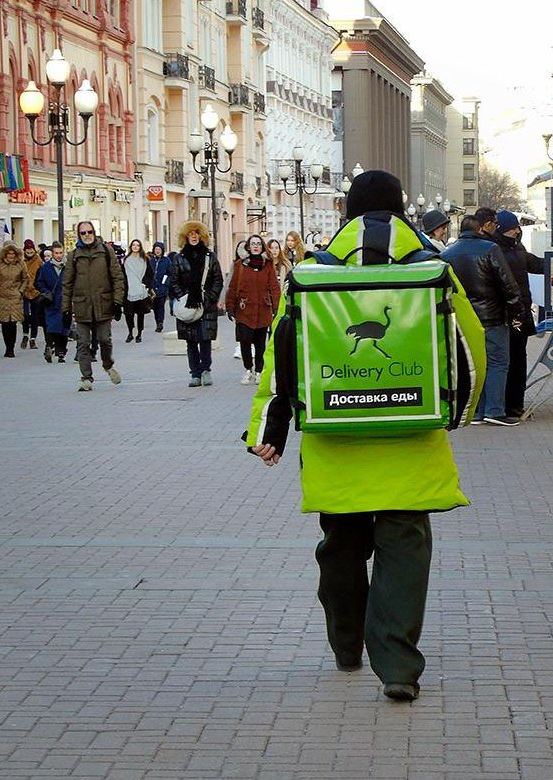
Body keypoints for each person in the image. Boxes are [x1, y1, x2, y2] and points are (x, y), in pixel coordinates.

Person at [245, 169, 485, 702]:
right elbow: (468, 348)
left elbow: (281, 359)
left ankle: (347, 644)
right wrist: (459, 412)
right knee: (404, 550)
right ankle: (397, 666)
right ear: (402, 212)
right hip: (411, 440)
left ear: (346, 214)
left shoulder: (310, 273)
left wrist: (270, 429)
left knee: (342, 548)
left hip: (336, 444)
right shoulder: (433, 272)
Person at [441, 214, 525, 426]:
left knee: (473, 365)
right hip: (493, 317)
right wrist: (518, 311)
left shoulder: (446, 254)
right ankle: (494, 410)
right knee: (498, 363)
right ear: (481, 228)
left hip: (463, 320)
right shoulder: (490, 249)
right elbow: (508, 284)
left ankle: (477, 411)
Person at [63, 221, 125, 392]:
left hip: (103, 304)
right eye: (83, 233)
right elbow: (67, 284)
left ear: (95, 232)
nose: (87, 235)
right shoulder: (74, 255)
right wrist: (66, 308)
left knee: (104, 339)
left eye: (89, 231)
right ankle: (86, 378)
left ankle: (108, 364)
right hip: (82, 305)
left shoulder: (106, 251)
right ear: (79, 235)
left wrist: (117, 301)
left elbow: (117, 277)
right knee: (83, 343)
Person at [493, 210, 544, 418]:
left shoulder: (515, 248)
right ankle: (510, 404)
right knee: (511, 358)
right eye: (514, 228)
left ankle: (513, 403)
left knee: (516, 357)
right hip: (511, 316)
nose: (517, 231)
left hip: (517, 316)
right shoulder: (499, 251)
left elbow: (537, 264)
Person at [169, 221, 223, 387]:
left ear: (202, 236)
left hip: (206, 305)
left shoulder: (209, 257)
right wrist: (183, 296)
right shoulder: (179, 258)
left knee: (205, 338)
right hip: (187, 305)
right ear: (185, 237)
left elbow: (217, 279)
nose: (193, 236)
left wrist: (210, 297)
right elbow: (173, 281)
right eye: (190, 234)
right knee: (191, 340)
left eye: (196, 233)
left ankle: (206, 370)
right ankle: (195, 373)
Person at [225, 234, 280, 385]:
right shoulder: (240, 265)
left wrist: (276, 306)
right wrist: (230, 307)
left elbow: (274, 287)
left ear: (262, 247)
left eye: (258, 244)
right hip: (244, 309)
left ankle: (259, 371)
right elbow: (232, 287)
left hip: (263, 309)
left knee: (261, 343)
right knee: (245, 340)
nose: (256, 246)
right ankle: (248, 368)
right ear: (248, 247)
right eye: (253, 244)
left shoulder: (267, 265)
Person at [0, 241, 28, 358]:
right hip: (1, 297)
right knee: (5, 323)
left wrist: (20, 291)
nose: (11, 255)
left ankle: (11, 348)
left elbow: (25, 279)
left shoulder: (21, 264)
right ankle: (7, 346)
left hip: (15, 297)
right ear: (5, 253)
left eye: (13, 253)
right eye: (9, 253)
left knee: (12, 323)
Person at [34, 241, 70, 363]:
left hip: (65, 302)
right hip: (51, 301)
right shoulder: (46, 267)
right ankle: (49, 346)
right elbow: (39, 282)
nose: (59, 255)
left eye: (61, 253)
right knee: (51, 326)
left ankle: (61, 352)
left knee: (64, 328)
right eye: (56, 253)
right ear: (52, 253)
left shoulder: (68, 267)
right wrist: (45, 291)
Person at [122, 239, 154, 343]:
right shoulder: (126, 260)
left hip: (141, 290)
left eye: (138, 245)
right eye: (133, 245)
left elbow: (150, 274)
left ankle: (139, 334)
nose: (135, 247)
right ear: (131, 247)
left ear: (140, 247)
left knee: (140, 314)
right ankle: (130, 332)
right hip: (129, 290)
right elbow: (122, 275)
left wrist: (146, 285)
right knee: (128, 314)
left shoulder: (144, 260)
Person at [20, 239, 43, 350]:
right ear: (24, 250)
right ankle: (25, 335)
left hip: (35, 292)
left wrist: (40, 288)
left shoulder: (38, 261)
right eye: (27, 249)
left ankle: (33, 338)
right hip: (24, 291)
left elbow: (42, 275)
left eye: (31, 249)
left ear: (34, 250)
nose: (29, 251)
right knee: (25, 315)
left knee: (34, 316)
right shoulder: (21, 261)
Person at [148, 241, 171, 332]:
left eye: (159, 249)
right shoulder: (150, 260)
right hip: (152, 288)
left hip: (162, 287)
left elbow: (170, 273)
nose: (157, 251)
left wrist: (166, 283)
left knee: (161, 306)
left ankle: (160, 323)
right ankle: (157, 321)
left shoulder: (166, 261)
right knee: (155, 307)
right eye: (156, 249)